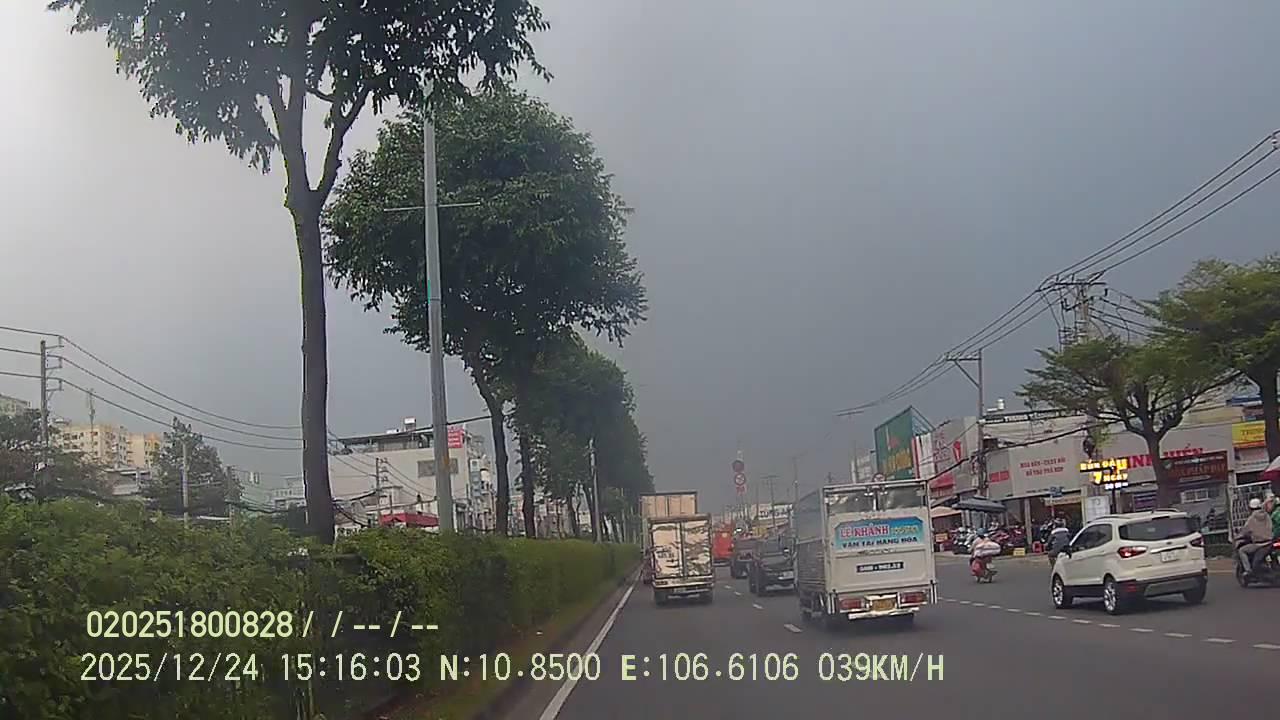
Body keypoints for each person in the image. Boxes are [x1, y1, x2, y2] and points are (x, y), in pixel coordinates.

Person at [1237, 497, 1273, 576]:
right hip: (1270, 542)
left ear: (1250, 508)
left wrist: (1238, 536)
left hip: (1259, 544)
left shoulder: (1251, 519)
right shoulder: (1267, 516)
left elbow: (1245, 531)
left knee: (1242, 550)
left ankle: (1248, 571)